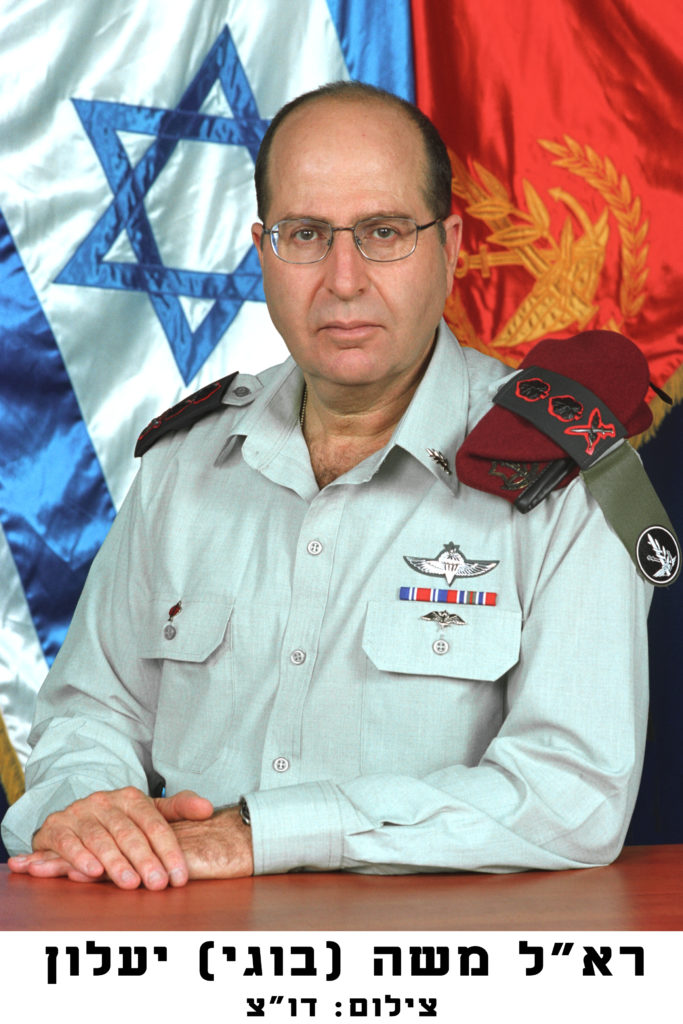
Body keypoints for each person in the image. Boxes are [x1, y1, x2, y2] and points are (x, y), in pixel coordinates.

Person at [2, 82, 652, 889]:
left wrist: (265, 833)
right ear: (262, 250)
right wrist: (91, 813)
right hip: (182, 941)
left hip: (442, 954)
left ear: (450, 246)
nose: (344, 279)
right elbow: (91, 714)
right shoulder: (183, 463)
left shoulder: (559, 474)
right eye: (305, 234)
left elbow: (572, 795)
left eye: (384, 232)